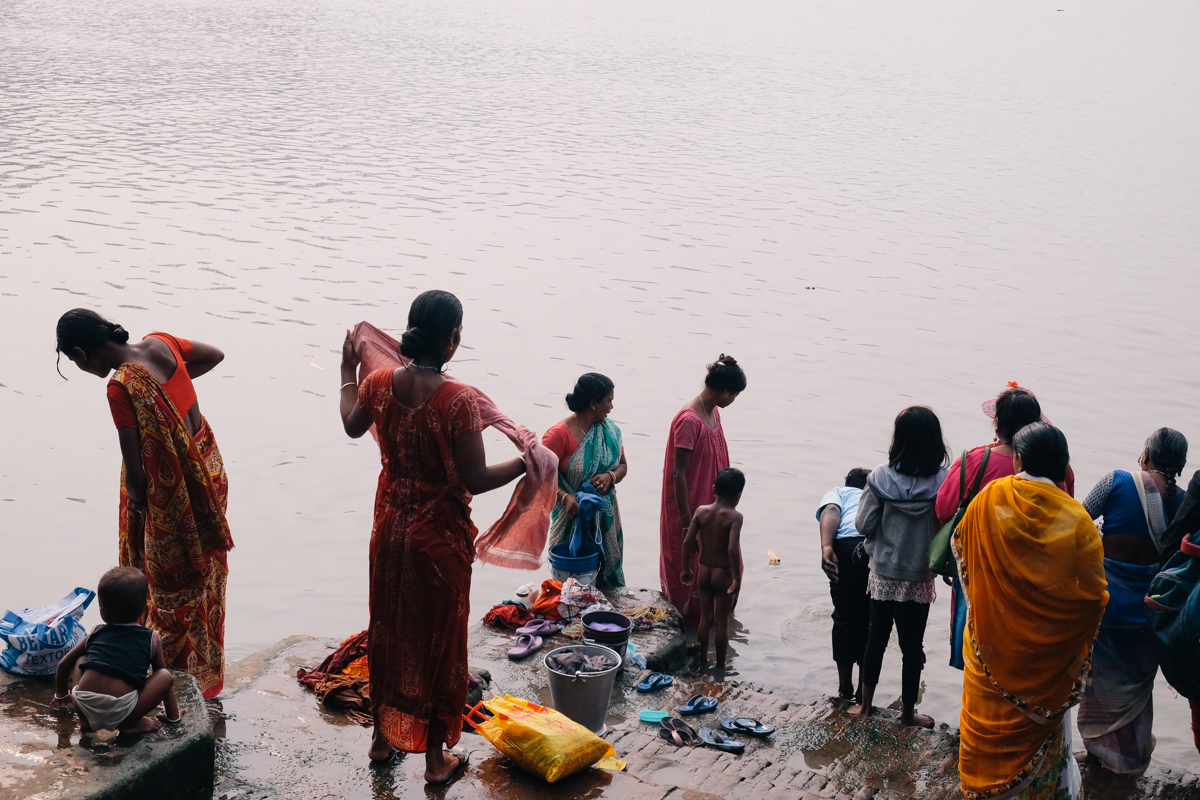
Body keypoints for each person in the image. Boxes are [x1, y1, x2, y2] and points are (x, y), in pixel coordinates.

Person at [340, 290, 526, 784]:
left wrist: (346, 372)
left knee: (389, 630)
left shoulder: (378, 383)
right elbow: (477, 478)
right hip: (438, 540)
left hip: (390, 533)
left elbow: (351, 427)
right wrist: (528, 460)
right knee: (439, 644)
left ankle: (382, 739)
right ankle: (435, 762)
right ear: (453, 338)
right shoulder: (458, 400)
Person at [55, 309, 233, 700]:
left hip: (172, 497)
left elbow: (137, 475)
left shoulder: (121, 386)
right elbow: (214, 355)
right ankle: (201, 677)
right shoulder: (162, 342)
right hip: (208, 469)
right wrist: (171, 398)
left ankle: (167, 683)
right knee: (204, 572)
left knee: (167, 585)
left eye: (74, 362)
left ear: (81, 355)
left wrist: (139, 510)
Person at [955, 423, 1108, 800]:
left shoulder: (990, 498)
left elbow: (964, 549)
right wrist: (1061, 640)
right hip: (1044, 664)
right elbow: (1093, 600)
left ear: (1019, 458)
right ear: (1063, 465)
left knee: (982, 742)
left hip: (990, 646)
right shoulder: (1076, 519)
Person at [935, 384, 1075, 670]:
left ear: (997, 423)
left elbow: (944, 510)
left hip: (978, 570)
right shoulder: (1059, 469)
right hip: (1034, 577)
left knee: (977, 655)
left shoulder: (974, 461)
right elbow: (1066, 518)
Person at [1077, 428, 1187, 774]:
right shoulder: (1186, 502)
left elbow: (1078, 521)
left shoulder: (1117, 482)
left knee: (1100, 685)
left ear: (1147, 454)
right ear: (1181, 465)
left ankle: (1096, 752)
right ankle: (1130, 758)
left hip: (1106, 607)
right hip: (1150, 612)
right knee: (1136, 691)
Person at [850, 406, 947, 728]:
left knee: (875, 638)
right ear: (935, 441)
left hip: (885, 571)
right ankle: (907, 714)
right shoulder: (943, 482)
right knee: (912, 645)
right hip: (919, 574)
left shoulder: (879, 477)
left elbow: (863, 524)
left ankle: (864, 706)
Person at [660, 355, 746, 627]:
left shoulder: (714, 413)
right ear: (724, 391)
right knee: (690, 566)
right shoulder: (689, 420)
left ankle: (713, 624)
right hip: (690, 507)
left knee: (727, 565)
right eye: (735, 395)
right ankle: (688, 628)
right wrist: (687, 523)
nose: (734, 400)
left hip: (714, 503)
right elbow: (678, 473)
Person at [52, 567, 182, 734]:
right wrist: (173, 716)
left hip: (84, 705)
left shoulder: (95, 633)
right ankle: (128, 725)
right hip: (122, 711)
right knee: (164, 675)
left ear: (103, 612)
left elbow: (63, 665)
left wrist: (61, 695)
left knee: (82, 658)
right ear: (144, 609)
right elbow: (163, 683)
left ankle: (86, 722)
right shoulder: (151, 638)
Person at [542, 373, 628, 588]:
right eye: (609, 400)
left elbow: (623, 466)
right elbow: (539, 479)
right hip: (570, 515)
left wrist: (611, 476)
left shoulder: (610, 431)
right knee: (570, 583)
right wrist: (564, 498)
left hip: (606, 518)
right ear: (593, 403)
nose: (611, 407)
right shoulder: (558, 435)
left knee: (607, 578)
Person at [680, 468, 745, 671]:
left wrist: (685, 569)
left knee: (705, 618)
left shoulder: (700, 511)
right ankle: (719, 666)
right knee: (721, 621)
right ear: (738, 496)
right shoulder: (735, 517)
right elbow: (732, 549)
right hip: (722, 573)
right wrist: (736, 578)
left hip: (703, 570)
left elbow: (688, 542)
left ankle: (701, 660)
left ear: (713, 489)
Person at [817, 467, 871, 700]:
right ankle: (863, 690)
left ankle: (844, 687)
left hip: (846, 547)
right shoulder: (876, 492)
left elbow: (831, 510)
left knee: (844, 617)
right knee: (870, 621)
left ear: (847, 482)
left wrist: (826, 546)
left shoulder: (839, 492)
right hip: (873, 549)